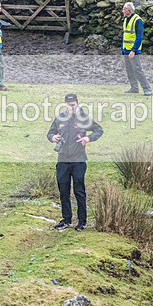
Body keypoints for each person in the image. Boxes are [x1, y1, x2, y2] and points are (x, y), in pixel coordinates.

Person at [47, 93, 104, 231]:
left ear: (77, 103)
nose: (71, 107)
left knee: (79, 191)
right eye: (68, 105)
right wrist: (53, 137)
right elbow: (50, 133)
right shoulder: (60, 118)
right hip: (62, 160)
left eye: (73, 105)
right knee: (63, 191)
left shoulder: (84, 118)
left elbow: (99, 130)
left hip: (78, 160)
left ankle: (82, 221)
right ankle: (66, 220)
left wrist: (88, 139)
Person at [120, 2, 152, 96]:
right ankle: (134, 88)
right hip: (126, 49)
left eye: (124, 9)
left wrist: (134, 50)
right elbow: (125, 35)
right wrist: (123, 49)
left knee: (138, 70)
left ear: (128, 10)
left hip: (132, 50)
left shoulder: (137, 20)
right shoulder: (125, 19)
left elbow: (139, 37)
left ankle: (147, 89)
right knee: (129, 70)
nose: (122, 11)